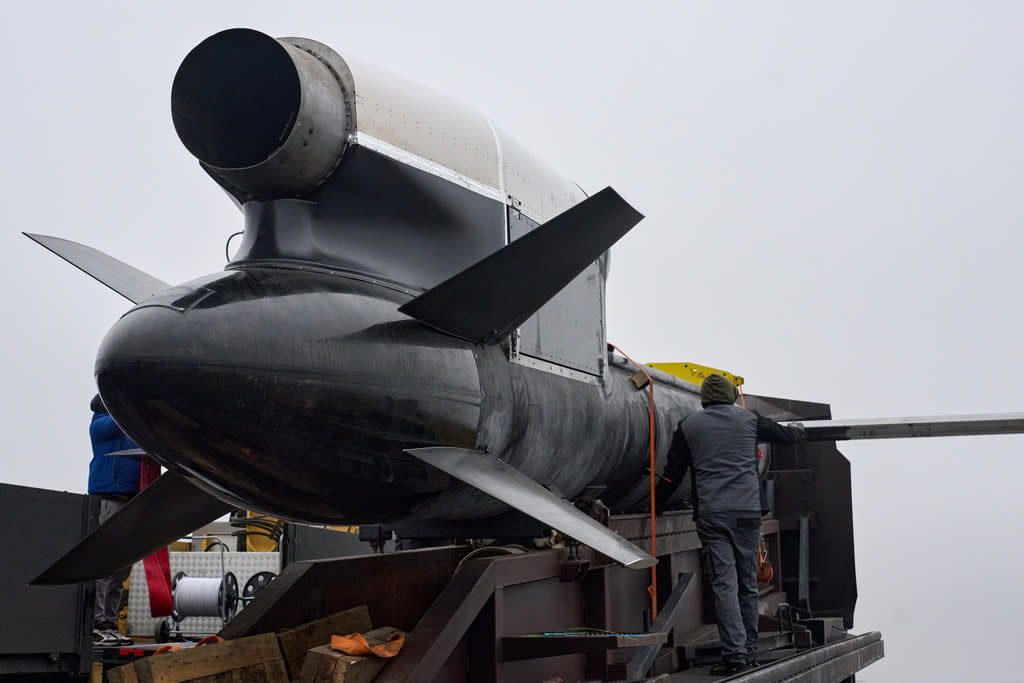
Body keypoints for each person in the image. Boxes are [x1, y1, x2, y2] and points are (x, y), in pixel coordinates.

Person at [654, 374, 806, 675]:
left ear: (704, 399)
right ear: (730, 396)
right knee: (747, 584)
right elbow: (785, 436)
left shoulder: (688, 425)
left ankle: (734, 656)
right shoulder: (750, 419)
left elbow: (673, 473)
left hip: (712, 515)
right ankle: (748, 653)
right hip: (747, 513)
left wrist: (655, 505)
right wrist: (800, 431)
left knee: (724, 585)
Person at [88, 393, 140, 646]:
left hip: (133, 500)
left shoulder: (130, 428)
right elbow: (120, 419)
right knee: (106, 566)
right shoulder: (100, 424)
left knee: (121, 568)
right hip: (111, 497)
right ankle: (97, 622)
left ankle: (109, 622)